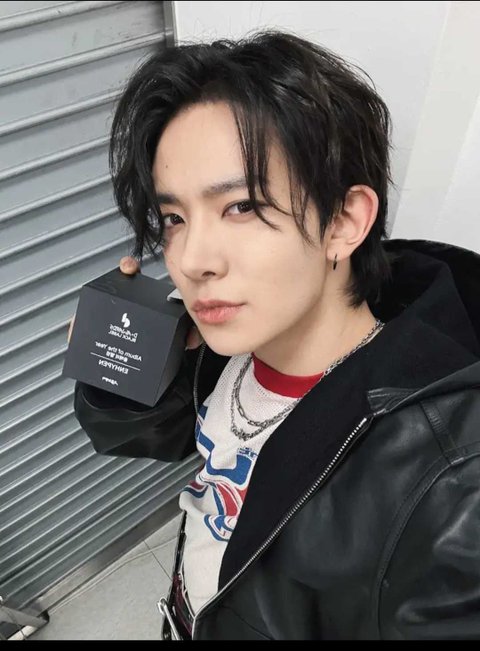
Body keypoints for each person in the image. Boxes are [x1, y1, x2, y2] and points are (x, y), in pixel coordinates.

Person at [72, 30, 480, 640]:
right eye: (175, 217)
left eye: (239, 207)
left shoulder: (451, 481)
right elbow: (148, 437)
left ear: (343, 221)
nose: (192, 260)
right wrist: (115, 360)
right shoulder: (229, 339)